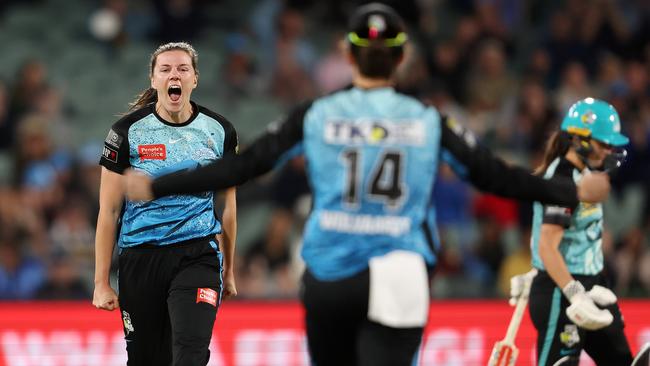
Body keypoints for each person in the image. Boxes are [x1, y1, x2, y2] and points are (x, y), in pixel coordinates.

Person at [125, 5, 610, 366]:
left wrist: (159, 185)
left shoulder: (318, 114)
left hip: (331, 272)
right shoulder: (426, 119)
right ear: (401, 57)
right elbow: (493, 176)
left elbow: (242, 166)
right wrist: (569, 192)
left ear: (347, 53)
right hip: (399, 270)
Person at [92, 42, 238, 366]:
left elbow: (227, 205)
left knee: (190, 352)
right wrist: (101, 282)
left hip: (198, 255)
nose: (175, 75)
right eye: (166, 69)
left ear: (195, 79)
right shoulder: (126, 132)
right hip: (140, 259)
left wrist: (229, 270)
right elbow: (110, 210)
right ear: (154, 79)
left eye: (183, 69)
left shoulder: (220, 131)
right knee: (146, 359)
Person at [515, 98, 633, 365]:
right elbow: (547, 246)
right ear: (580, 139)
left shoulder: (585, 175)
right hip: (562, 290)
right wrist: (574, 292)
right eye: (604, 143)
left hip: (591, 286)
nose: (608, 150)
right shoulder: (563, 181)